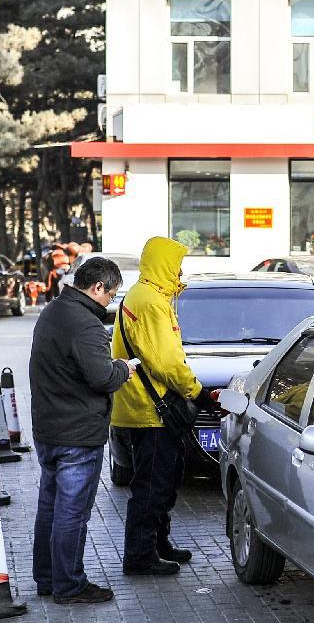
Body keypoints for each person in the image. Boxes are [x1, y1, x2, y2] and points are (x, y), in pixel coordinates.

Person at [110, 236, 220, 576]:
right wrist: (197, 392)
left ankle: (159, 544)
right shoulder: (152, 302)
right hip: (151, 411)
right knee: (152, 486)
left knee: (165, 480)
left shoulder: (147, 296)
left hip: (145, 407)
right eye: (177, 264)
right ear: (163, 265)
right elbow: (167, 362)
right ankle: (140, 556)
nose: (181, 270)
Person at [29, 257, 134, 604]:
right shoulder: (85, 324)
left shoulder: (53, 310)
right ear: (98, 286)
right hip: (77, 434)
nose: (111, 302)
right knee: (72, 513)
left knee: (51, 507)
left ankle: (47, 578)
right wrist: (122, 368)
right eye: (111, 294)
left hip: (49, 429)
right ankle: (69, 585)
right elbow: (101, 377)